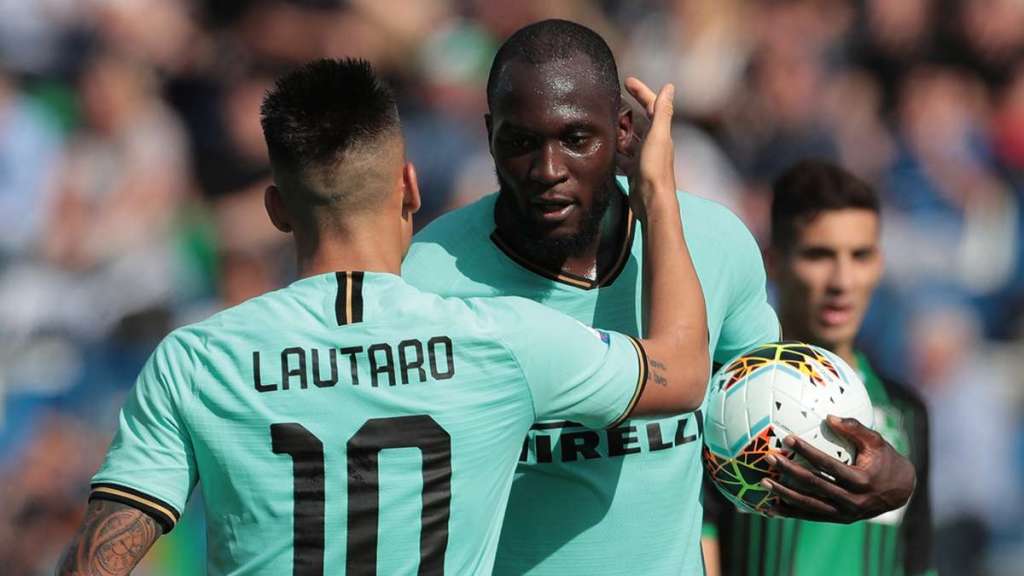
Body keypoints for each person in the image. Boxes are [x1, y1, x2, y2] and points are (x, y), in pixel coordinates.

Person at [55, 58, 709, 574]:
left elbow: (96, 563)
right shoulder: (502, 341)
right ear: (410, 188)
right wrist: (655, 192)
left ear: (277, 210)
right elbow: (681, 371)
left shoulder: (197, 360)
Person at [402, 19, 917, 575]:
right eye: (521, 142)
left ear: (624, 129)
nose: (548, 170)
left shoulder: (714, 243)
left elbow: (767, 420)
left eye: (577, 139)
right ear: (489, 135)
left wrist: (884, 478)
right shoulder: (428, 278)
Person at [701, 160, 934, 576]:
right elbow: (698, 544)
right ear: (773, 261)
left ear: (879, 263)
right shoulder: (724, 399)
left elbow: (917, 561)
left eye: (860, 255)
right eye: (818, 255)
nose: (842, 281)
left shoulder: (907, 410)